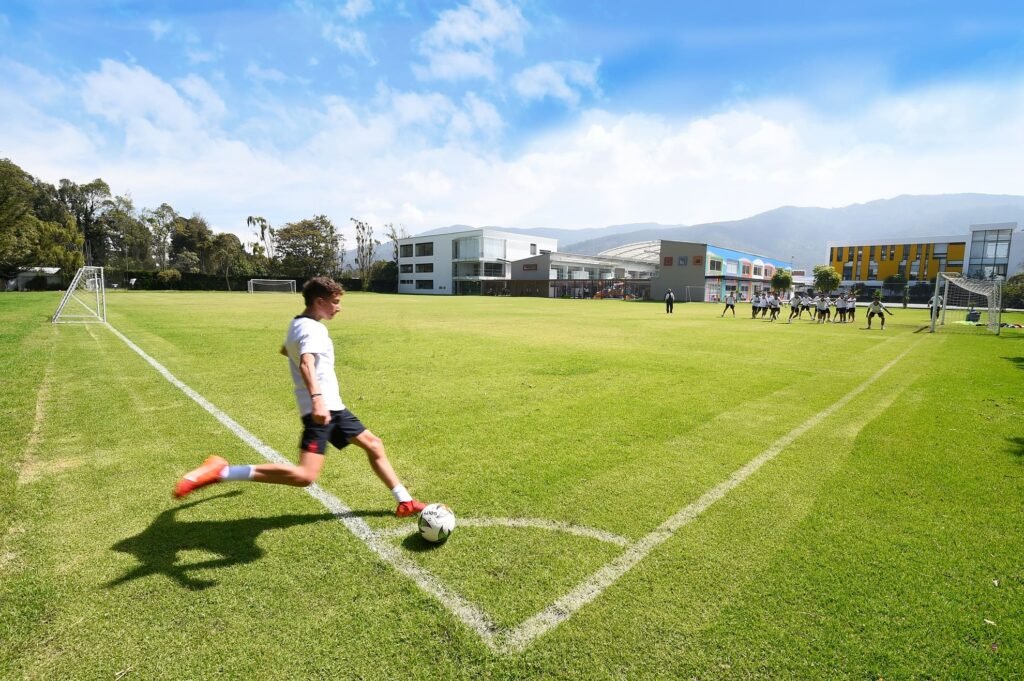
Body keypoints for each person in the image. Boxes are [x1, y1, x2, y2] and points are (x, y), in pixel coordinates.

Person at [173, 277, 427, 518]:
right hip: (322, 408)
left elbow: (287, 350)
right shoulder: (313, 328)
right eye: (335, 302)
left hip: (333, 407)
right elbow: (306, 363)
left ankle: (405, 501)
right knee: (305, 475)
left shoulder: (297, 324)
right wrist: (316, 398)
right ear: (319, 301)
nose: (339, 308)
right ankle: (223, 471)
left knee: (373, 444)